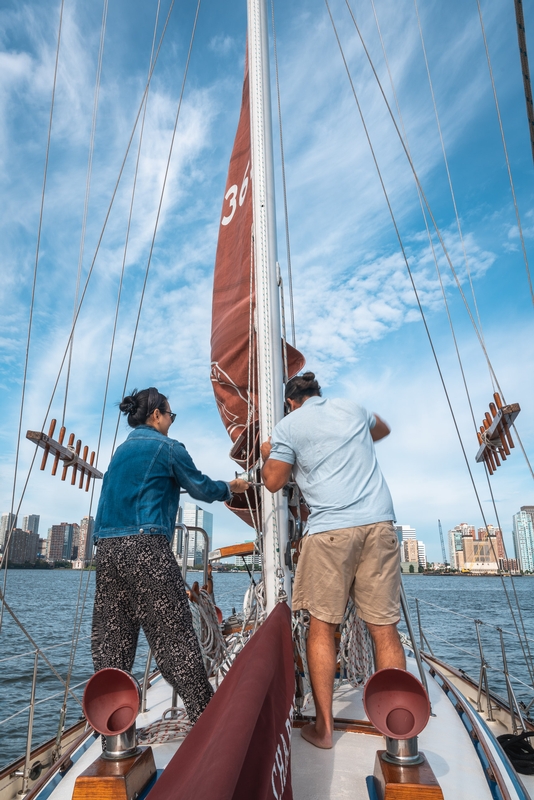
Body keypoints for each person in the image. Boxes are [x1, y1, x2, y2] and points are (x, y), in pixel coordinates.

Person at [260, 372, 404, 749]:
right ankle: (399, 734)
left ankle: (324, 730)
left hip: (329, 532)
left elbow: (273, 481)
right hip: (379, 523)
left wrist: (269, 452)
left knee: (321, 627)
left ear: (291, 402)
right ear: (318, 393)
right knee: (384, 630)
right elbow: (383, 429)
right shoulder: (352, 408)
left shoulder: (288, 426)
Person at [91, 386, 249, 724]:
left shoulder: (119, 454)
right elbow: (200, 488)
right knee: (174, 638)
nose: (171, 422)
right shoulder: (168, 448)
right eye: (170, 415)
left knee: (111, 643)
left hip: (106, 551)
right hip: (146, 548)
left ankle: (113, 733)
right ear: (156, 415)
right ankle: (205, 723)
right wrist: (229, 488)